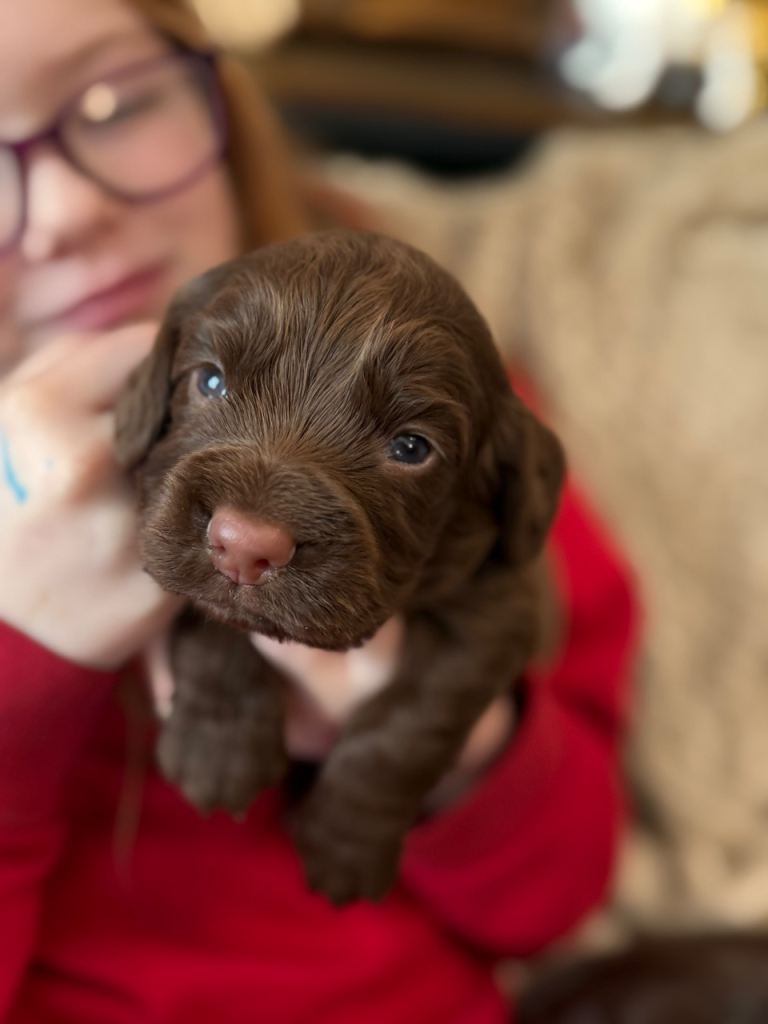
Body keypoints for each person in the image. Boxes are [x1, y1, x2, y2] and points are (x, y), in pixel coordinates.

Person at [0, 1, 639, 1021]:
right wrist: (27, 658)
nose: (65, 207)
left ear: (219, 90)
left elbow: (554, 897)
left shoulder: (457, 378)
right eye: (214, 387)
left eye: (113, 103)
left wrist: (430, 740)